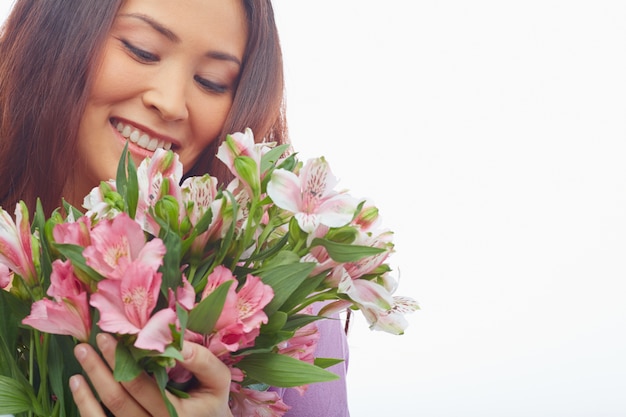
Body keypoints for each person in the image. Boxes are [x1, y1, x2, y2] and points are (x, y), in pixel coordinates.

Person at [0, 0, 350, 416]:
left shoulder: (281, 311)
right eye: (141, 49)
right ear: (52, 35)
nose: (170, 103)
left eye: (212, 81)